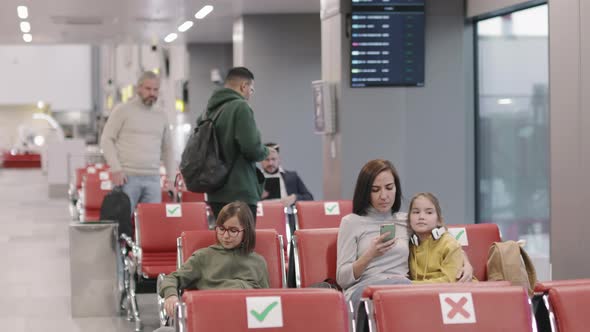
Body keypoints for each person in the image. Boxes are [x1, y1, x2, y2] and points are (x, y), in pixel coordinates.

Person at [336, 159, 473, 314]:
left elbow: (441, 240)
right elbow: (342, 279)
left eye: (389, 188)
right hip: (365, 292)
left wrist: (466, 263)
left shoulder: (407, 221)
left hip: (402, 290)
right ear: (365, 191)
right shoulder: (351, 223)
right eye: (375, 190)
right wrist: (370, 254)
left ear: (396, 188)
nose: (384, 196)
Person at [157, 201, 269, 329]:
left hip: (244, 323)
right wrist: (171, 295)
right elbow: (172, 278)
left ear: (246, 231)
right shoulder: (203, 257)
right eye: (221, 229)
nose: (225, 236)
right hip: (210, 321)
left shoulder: (258, 262)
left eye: (233, 231)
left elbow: (266, 300)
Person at [100, 71, 175, 214]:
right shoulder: (122, 110)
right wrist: (115, 168)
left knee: (152, 224)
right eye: (148, 89)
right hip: (127, 178)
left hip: (153, 179)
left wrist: (171, 179)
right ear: (138, 88)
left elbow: (168, 149)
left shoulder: (162, 115)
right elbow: (106, 139)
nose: (152, 93)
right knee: (123, 224)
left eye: (155, 89)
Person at [202, 67, 270, 219]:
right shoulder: (241, 107)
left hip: (215, 191)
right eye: (251, 90)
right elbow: (252, 148)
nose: (250, 94)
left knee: (225, 239)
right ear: (243, 86)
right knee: (243, 240)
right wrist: (265, 151)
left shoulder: (210, 109)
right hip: (240, 189)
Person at [408, 192, 473, 283]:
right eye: (416, 212)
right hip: (421, 293)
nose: (421, 217)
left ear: (439, 220)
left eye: (429, 212)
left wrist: (409, 285)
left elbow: (450, 281)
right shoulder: (408, 245)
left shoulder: (449, 244)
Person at [260, 142, 314, 207]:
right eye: (267, 160)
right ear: (261, 160)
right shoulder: (254, 178)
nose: (270, 163)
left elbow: (309, 197)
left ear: (279, 159)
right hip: (263, 215)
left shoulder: (292, 177)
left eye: (273, 159)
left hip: (286, 215)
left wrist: (294, 198)